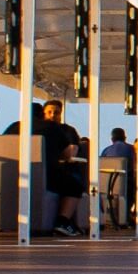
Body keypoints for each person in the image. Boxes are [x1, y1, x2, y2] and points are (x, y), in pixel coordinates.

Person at [37, 100, 86, 236]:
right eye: (49, 112)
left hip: (66, 168)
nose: (53, 115)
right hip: (44, 170)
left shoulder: (68, 130)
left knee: (74, 183)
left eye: (56, 113)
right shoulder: (39, 129)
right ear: (43, 114)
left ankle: (64, 222)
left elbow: (73, 150)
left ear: (61, 114)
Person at [100, 127, 137, 228]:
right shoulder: (130, 149)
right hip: (124, 184)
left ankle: (110, 218)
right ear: (125, 138)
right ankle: (127, 216)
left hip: (106, 186)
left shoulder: (106, 150)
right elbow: (134, 167)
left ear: (112, 139)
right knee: (134, 189)